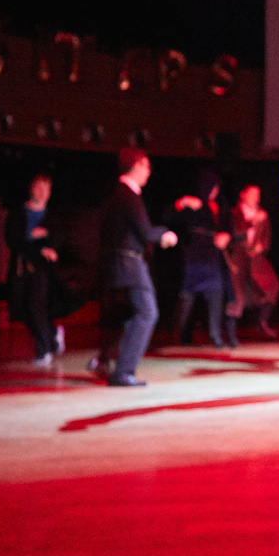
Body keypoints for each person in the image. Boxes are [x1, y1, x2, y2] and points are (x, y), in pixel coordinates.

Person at [98, 147, 178, 386]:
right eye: (146, 165)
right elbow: (145, 231)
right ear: (135, 165)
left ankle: (105, 358)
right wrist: (165, 234)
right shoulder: (129, 195)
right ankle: (123, 371)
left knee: (132, 314)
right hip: (129, 264)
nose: (149, 171)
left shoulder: (117, 194)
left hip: (119, 263)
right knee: (147, 312)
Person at [6, 173, 63, 369]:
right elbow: (12, 239)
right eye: (39, 188)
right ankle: (52, 336)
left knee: (36, 306)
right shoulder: (18, 212)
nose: (42, 193)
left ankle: (43, 350)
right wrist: (31, 238)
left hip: (42, 268)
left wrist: (49, 244)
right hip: (22, 266)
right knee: (22, 309)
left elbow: (59, 237)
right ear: (31, 189)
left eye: (46, 189)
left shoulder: (51, 215)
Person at [173, 171, 234, 348]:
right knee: (188, 297)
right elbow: (170, 216)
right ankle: (182, 334)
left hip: (213, 258)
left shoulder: (221, 204)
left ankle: (215, 335)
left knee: (216, 295)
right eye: (213, 187)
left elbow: (228, 228)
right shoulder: (195, 203)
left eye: (217, 187)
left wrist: (226, 236)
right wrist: (182, 203)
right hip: (194, 257)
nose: (215, 190)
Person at [227, 184, 279, 339]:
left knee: (272, 286)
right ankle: (231, 333)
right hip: (238, 258)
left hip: (256, 260)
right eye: (252, 194)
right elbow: (233, 235)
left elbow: (267, 238)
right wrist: (252, 222)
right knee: (237, 295)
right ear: (243, 195)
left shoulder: (262, 214)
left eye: (258, 195)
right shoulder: (234, 213)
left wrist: (261, 246)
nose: (256, 198)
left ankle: (262, 322)